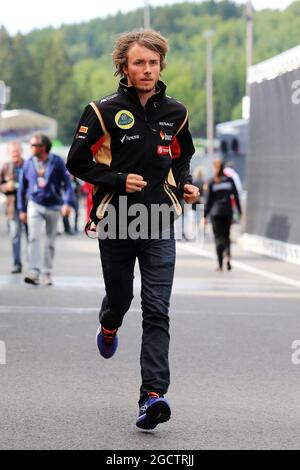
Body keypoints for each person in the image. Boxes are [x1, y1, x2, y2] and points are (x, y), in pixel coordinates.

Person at [66, 29, 199, 430]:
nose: (146, 69)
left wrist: (187, 182)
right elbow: (77, 162)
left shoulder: (176, 112)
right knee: (121, 298)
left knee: (157, 309)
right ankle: (109, 323)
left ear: (161, 66)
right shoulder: (102, 110)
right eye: (138, 62)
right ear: (123, 66)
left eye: (153, 63)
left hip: (159, 220)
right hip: (117, 220)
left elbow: (181, 156)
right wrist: (118, 180)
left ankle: (153, 396)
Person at [18, 134, 74, 286]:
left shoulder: (56, 162)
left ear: (43, 147)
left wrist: (68, 203)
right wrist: (21, 209)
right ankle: (34, 271)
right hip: (35, 204)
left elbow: (68, 184)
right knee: (34, 237)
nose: (31, 148)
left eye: (33, 145)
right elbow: (22, 188)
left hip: (54, 205)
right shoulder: (29, 163)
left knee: (50, 241)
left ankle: (47, 273)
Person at [204, 158, 242, 272]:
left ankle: (220, 265)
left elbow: (208, 201)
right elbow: (235, 196)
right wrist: (240, 211)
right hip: (227, 212)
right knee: (226, 236)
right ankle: (228, 256)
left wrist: (204, 216)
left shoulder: (211, 181)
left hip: (215, 213)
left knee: (218, 238)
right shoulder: (229, 180)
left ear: (214, 168)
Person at [0, 142, 26, 273]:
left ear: (21, 151)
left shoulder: (28, 164)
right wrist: (6, 187)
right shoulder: (5, 166)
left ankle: (33, 265)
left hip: (27, 205)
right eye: (13, 152)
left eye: (17, 151)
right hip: (12, 206)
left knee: (31, 236)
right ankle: (17, 263)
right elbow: (0, 185)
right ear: (10, 153)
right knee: (15, 235)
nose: (15, 154)